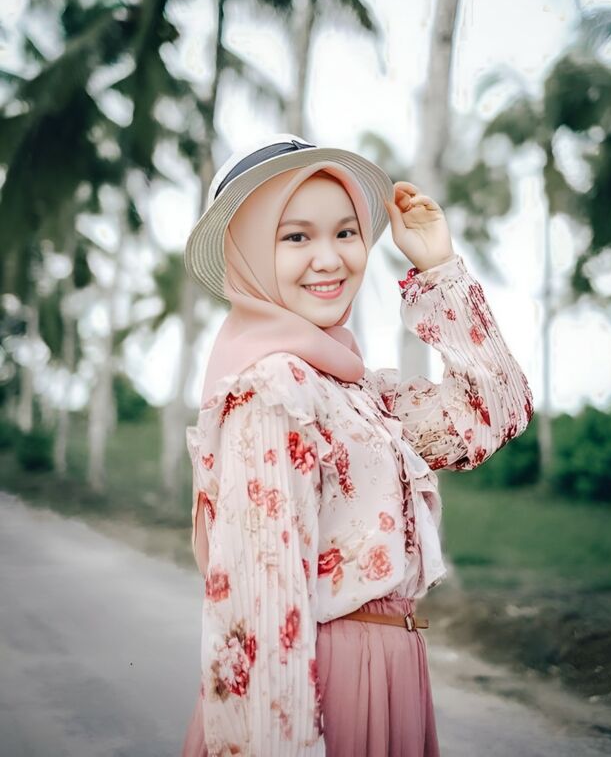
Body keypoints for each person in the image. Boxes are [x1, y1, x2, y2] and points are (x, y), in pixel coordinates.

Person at [179, 134, 534, 757]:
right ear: (250, 253)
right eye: (295, 237)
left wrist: (439, 267)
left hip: (391, 678)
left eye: (346, 233)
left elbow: (493, 412)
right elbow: (262, 617)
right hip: (326, 688)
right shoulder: (273, 390)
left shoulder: (359, 391)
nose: (330, 259)